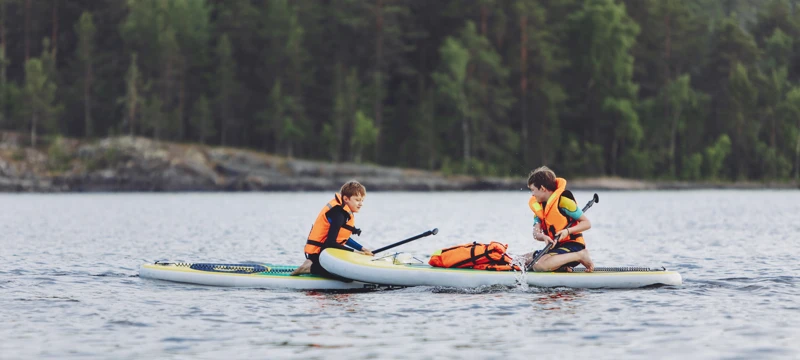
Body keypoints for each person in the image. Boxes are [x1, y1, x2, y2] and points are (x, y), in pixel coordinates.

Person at [290, 180, 373, 278]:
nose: (361, 204)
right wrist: (357, 253)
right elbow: (331, 242)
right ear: (346, 199)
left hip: (323, 253)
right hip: (320, 254)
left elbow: (341, 238)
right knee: (346, 277)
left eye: (362, 200)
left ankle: (310, 264)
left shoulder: (343, 213)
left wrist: (362, 249)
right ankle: (309, 268)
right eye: (357, 200)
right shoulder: (339, 214)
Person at [525, 166, 594, 272]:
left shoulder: (564, 202)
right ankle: (561, 267)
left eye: (533, 190)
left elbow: (587, 223)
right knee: (521, 260)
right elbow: (535, 232)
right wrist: (543, 237)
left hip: (573, 246)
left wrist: (567, 231)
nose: (532, 194)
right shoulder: (539, 208)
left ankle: (580, 255)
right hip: (556, 249)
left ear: (542, 188)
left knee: (538, 265)